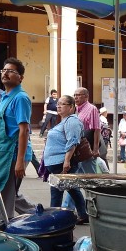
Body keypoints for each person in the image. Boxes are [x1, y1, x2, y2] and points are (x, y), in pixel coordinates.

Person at [0, 57, 36, 226]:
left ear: (20, 77)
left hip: (13, 154)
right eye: (3, 70)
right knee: (6, 192)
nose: (5, 73)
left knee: (4, 196)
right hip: (1, 152)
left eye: (11, 71)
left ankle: (3, 230)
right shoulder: (5, 97)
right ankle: (37, 215)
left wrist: (20, 161)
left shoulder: (20, 98)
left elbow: (24, 130)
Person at [43, 94, 89, 224]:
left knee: (58, 191)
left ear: (71, 107)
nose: (58, 106)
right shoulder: (64, 121)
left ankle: (54, 217)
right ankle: (81, 214)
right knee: (72, 189)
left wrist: (67, 161)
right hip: (56, 162)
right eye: (58, 103)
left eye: (62, 104)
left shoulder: (72, 121)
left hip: (62, 162)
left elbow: (72, 142)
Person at [73, 87, 101, 173]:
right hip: (77, 146)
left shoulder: (91, 109)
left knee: (89, 174)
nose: (75, 97)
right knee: (79, 174)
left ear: (86, 97)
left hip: (88, 146)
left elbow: (97, 129)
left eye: (78, 95)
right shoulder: (75, 109)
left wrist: (95, 149)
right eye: (74, 95)